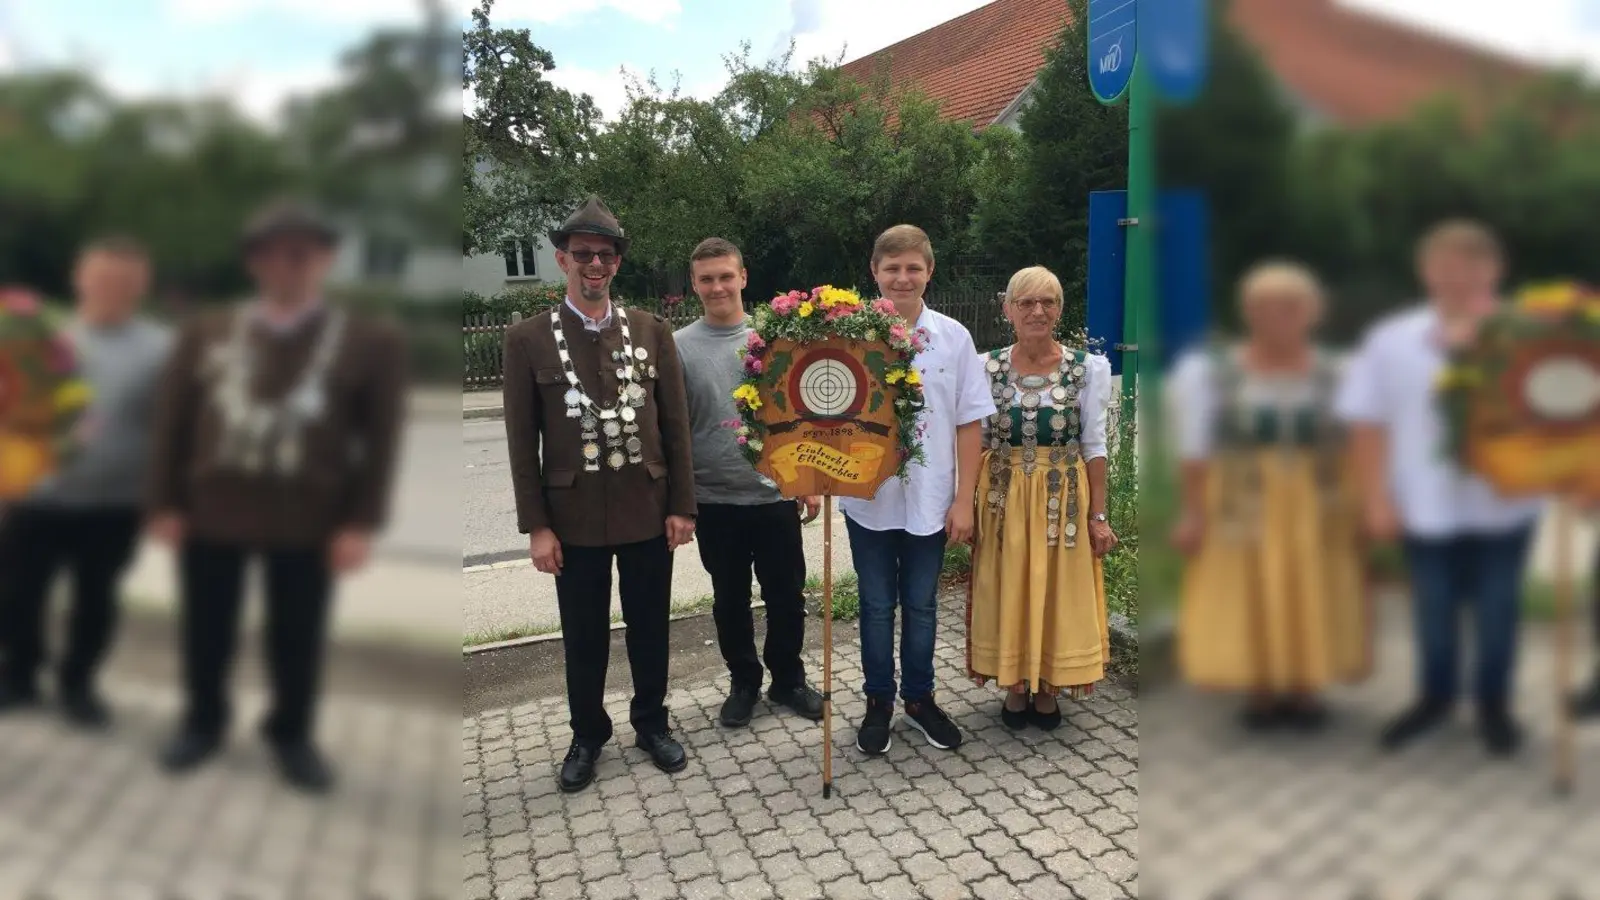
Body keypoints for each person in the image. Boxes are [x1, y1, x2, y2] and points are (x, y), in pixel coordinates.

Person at [146, 199, 409, 791]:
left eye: (302, 254)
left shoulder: (368, 341)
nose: (287, 266)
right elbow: (172, 422)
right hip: (211, 507)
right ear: (255, 262)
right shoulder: (207, 332)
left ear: (325, 259)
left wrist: (359, 523)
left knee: (297, 634)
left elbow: (381, 442)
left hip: (308, 516)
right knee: (206, 627)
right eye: (273, 254)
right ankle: (203, 722)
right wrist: (162, 501)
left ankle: (290, 733)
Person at [502, 195, 697, 793]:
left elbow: (675, 426)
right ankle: (587, 734)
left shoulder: (651, 331)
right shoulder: (528, 338)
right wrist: (537, 525)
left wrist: (682, 506)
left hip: (646, 507)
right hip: (573, 517)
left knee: (650, 627)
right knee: (583, 634)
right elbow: (520, 440)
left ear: (616, 264)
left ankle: (651, 723)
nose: (595, 264)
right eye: (583, 254)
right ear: (562, 259)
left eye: (606, 255)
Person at [1335, 219, 1543, 756]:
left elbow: (1564, 414)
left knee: (1499, 615)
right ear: (1427, 272)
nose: (1459, 278)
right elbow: (1366, 422)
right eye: (1447, 267)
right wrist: (1375, 497)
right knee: (1433, 612)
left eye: (1472, 267)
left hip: (1505, 507)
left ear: (1494, 271)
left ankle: (1494, 706)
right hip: (1423, 507)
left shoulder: (1529, 337)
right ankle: (1435, 698)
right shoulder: (1391, 341)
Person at [1168, 261, 1370, 730]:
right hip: (1242, 498)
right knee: (1250, 589)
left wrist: (1366, 505)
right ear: (1248, 312)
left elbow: (1359, 443)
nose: (1279, 316)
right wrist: (1193, 514)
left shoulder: (1338, 371)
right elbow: (1194, 451)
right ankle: (1259, 689)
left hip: (1317, 500)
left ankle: (1304, 689)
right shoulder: (1211, 372)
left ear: (1312, 313)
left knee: (1311, 586)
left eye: (1291, 307)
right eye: (1266, 307)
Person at [0, 237, 172, 726]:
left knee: (95, 600)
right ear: (78, 277)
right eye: (102, 276)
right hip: (35, 498)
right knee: (16, 595)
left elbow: (171, 429)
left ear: (143, 286)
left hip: (114, 503)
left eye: (126, 280)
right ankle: (18, 675)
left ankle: (79, 685)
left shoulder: (163, 348)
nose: (112, 288)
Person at [841, 224, 996, 756]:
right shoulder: (847, 335)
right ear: (874, 272)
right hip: (868, 498)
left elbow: (970, 423)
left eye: (913, 268)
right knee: (877, 604)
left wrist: (964, 498)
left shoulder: (954, 338)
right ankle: (879, 700)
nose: (902, 278)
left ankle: (921, 698)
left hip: (933, 499)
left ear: (929, 272)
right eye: (892, 268)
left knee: (923, 605)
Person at [674, 237, 824, 727]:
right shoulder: (678, 347)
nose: (717, 286)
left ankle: (788, 681)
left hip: (775, 494)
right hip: (714, 500)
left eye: (725, 276)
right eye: (706, 279)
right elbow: (671, 430)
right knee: (729, 601)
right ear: (694, 285)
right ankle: (744, 682)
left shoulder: (775, 339)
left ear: (743, 277)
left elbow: (801, 413)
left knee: (787, 597)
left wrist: (806, 479)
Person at [966, 266, 1116, 729]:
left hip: (1063, 497)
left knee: (1056, 587)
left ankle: (1049, 685)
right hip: (1004, 497)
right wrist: (965, 506)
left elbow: (1094, 445)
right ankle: (1014, 683)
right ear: (1008, 308)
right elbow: (979, 439)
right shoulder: (983, 366)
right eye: (1027, 302)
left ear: (1060, 309)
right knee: (1009, 580)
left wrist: (1099, 515)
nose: (1038, 310)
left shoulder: (1087, 368)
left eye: (1048, 301)